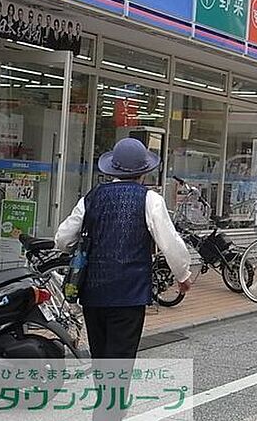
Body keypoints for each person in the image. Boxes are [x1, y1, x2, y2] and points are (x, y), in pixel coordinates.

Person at [55, 137, 192, 362]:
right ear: (144, 171)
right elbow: (170, 242)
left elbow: (62, 239)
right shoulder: (150, 199)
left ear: (112, 169)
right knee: (120, 359)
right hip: (130, 293)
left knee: (100, 357)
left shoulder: (92, 197)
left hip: (93, 292)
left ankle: (104, 386)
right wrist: (182, 275)